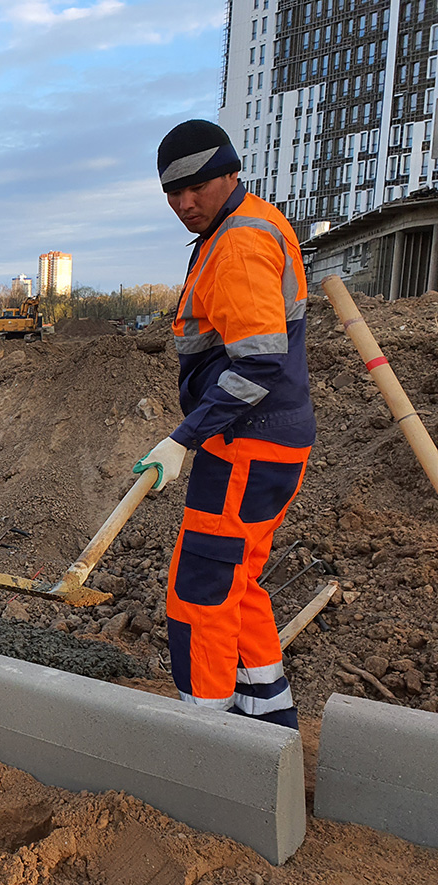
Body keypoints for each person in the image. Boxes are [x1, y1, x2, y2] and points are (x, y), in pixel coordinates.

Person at [135, 119, 315, 730]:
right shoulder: (239, 226)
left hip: (248, 442)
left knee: (202, 591)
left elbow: (258, 364)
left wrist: (182, 438)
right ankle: (266, 723)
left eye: (199, 186)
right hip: (266, 440)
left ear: (231, 173)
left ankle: (209, 735)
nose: (185, 203)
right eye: (172, 193)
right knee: (239, 583)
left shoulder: (236, 242)